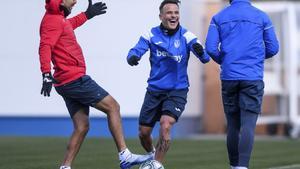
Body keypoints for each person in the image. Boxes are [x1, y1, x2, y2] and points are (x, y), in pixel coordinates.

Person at [39, 0, 151, 169]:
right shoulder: (53, 20)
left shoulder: (58, 19)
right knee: (113, 107)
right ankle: (124, 155)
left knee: (82, 126)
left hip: (66, 82)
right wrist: (46, 73)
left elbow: (69, 25)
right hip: (75, 79)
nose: (75, 1)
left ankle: (65, 167)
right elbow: (45, 46)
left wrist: (87, 15)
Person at [126, 0, 210, 164]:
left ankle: (157, 164)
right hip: (154, 91)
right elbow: (135, 50)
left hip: (177, 91)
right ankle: (152, 155)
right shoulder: (150, 34)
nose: (173, 16)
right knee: (143, 133)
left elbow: (205, 57)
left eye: (176, 13)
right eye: (169, 13)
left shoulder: (187, 36)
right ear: (161, 16)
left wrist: (201, 52)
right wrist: (132, 57)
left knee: (165, 125)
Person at [205, 0, 279, 169]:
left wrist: (225, 60)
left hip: (229, 76)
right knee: (248, 124)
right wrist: (256, 58)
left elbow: (210, 48)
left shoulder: (218, 17)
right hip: (252, 77)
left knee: (232, 124)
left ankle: (233, 165)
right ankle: (242, 166)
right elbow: (273, 48)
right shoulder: (262, 16)